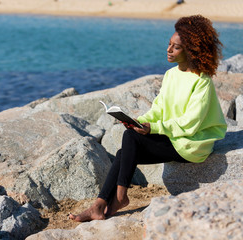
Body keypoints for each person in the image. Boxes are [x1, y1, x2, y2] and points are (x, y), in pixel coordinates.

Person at [69, 15, 227, 222]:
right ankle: (98, 205)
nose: (169, 49)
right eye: (169, 44)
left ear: (190, 51)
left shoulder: (202, 81)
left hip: (192, 144)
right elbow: (159, 108)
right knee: (125, 149)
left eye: (176, 47)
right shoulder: (171, 75)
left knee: (130, 141)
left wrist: (153, 128)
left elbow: (190, 124)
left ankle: (120, 196)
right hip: (173, 138)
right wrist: (138, 121)